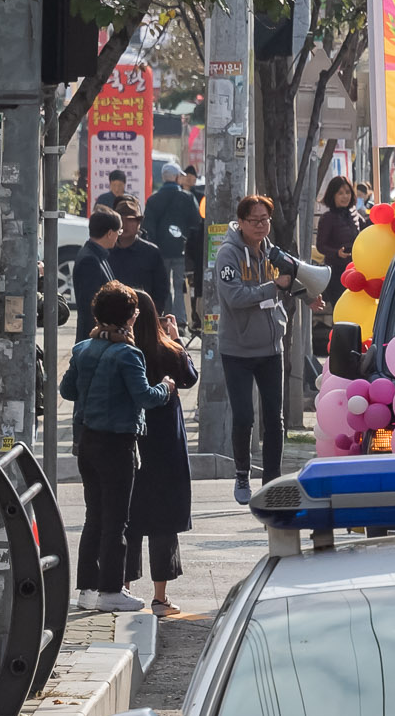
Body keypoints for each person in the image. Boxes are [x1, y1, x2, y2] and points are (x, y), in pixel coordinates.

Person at [61, 283, 173, 613]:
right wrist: (165, 388)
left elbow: (67, 390)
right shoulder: (129, 354)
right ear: (131, 317)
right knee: (116, 520)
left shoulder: (82, 349)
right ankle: (111, 589)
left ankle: (86, 588)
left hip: (87, 443)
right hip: (118, 443)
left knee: (93, 517)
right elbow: (144, 397)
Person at [212, 193, 318, 505]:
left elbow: (291, 277)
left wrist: (308, 296)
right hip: (237, 349)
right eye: (255, 220)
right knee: (244, 416)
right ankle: (242, 472)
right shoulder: (228, 255)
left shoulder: (271, 251)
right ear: (241, 222)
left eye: (265, 220)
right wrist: (276, 286)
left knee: (275, 417)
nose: (262, 226)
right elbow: (235, 297)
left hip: (272, 346)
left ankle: (271, 480)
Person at [124, 290, 198, 613]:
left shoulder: (124, 352)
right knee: (163, 519)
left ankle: (122, 588)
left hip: (133, 439)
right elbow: (189, 377)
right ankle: (159, 597)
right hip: (166, 442)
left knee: (130, 515)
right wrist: (177, 338)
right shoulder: (168, 351)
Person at [145, 163, 206, 320]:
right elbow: (196, 221)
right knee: (180, 286)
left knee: (163, 285)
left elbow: (148, 228)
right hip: (181, 249)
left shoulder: (153, 200)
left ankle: (166, 316)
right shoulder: (187, 197)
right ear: (178, 178)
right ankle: (180, 319)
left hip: (160, 251)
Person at [72, 208, 126, 338]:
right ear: (109, 233)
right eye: (119, 231)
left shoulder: (97, 254)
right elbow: (90, 305)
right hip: (94, 337)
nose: (119, 236)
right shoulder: (89, 260)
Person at [108, 203, 172, 309]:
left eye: (130, 220)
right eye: (121, 219)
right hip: (112, 317)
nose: (124, 224)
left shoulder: (151, 252)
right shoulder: (106, 252)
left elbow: (161, 289)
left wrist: (154, 314)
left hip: (143, 315)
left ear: (139, 222)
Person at [313, 176, 362, 292]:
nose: (345, 196)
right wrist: (337, 253)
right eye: (340, 193)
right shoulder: (327, 218)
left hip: (356, 271)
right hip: (336, 273)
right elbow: (321, 246)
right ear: (332, 195)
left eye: (347, 192)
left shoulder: (354, 214)